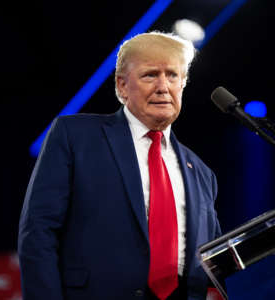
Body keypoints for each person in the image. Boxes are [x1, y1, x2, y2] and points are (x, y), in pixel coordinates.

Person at [18, 31, 223, 300]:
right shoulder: (75, 136)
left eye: (173, 75)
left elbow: (215, 260)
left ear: (182, 84)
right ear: (122, 86)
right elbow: (38, 233)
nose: (163, 86)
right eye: (150, 75)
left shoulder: (202, 172)